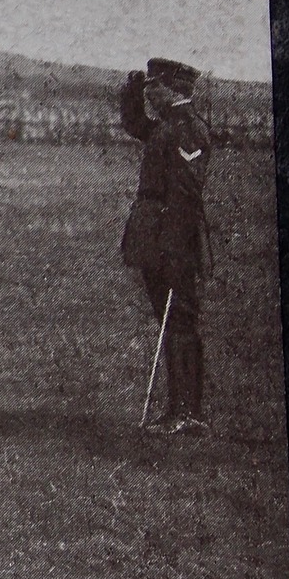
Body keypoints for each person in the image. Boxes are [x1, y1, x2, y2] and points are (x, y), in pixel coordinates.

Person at [119, 58, 211, 435]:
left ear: (173, 89)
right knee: (170, 321)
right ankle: (181, 410)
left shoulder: (187, 129)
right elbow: (136, 125)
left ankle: (187, 412)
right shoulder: (168, 127)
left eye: (153, 87)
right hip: (157, 239)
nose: (150, 93)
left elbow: (187, 195)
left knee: (180, 322)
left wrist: (174, 249)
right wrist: (130, 94)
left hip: (173, 241)